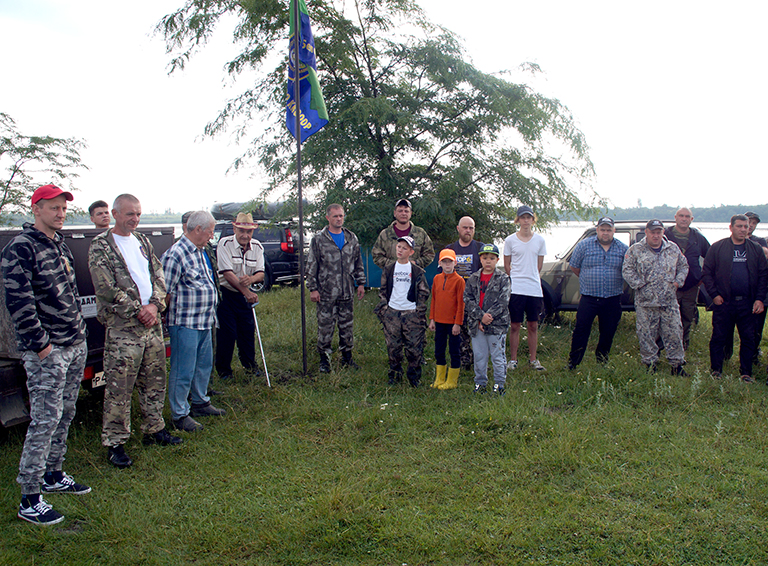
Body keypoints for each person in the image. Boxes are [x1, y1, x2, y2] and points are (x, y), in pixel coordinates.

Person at [2, 184, 90, 525]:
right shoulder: (20, 249)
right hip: (47, 352)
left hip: (74, 345)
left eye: (63, 208)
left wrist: (79, 337)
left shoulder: (59, 245)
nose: (60, 213)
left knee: (65, 412)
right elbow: (19, 304)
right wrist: (43, 346)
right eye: (53, 207)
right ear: (36, 209)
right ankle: (30, 496)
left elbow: (69, 294)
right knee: (44, 419)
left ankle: (54, 474)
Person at [88, 194, 181, 470]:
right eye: (129, 214)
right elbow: (104, 286)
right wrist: (136, 309)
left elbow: (158, 275)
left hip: (151, 325)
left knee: (154, 379)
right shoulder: (101, 245)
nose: (135, 219)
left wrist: (155, 305)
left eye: (138, 214)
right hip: (123, 329)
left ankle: (154, 429)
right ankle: (115, 443)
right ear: (115, 213)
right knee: (119, 387)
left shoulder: (142, 241)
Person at [162, 210, 225, 432]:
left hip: (204, 321)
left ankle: (200, 401)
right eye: (210, 231)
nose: (211, 236)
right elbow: (165, 291)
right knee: (183, 369)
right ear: (197, 229)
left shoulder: (199, 251)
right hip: (185, 323)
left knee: (203, 365)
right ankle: (180, 414)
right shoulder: (175, 254)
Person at [702, 214, 768, 382]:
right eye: (739, 226)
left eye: (746, 227)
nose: (743, 229)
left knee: (748, 338)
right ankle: (716, 370)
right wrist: (714, 295)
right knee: (719, 337)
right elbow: (707, 273)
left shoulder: (756, 249)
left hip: (747, 302)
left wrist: (760, 299)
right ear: (731, 228)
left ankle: (746, 373)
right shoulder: (718, 248)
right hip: (724, 302)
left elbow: (763, 275)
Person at [622, 219, 689, 375]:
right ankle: (650, 364)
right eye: (653, 232)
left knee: (674, 333)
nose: (656, 235)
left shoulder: (672, 248)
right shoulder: (635, 250)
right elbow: (627, 270)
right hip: (646, 302)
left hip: (669, 301)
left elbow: (683, 266)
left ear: (663, 232)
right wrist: (640, 285)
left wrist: (678, 282)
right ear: (646, 232)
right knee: (646, 335)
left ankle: (676, 365)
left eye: (659, 232)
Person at [306, 204, 366, 373]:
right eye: (335, 216)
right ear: (328, 218)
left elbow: (358, 262)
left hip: (346, 291)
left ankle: (347, 357)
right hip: (326, 292)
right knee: (325, 326)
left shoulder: (351, 238)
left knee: (347, 325)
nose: (339, 219)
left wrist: (361, 283)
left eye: (341, 216)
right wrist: (313, 288)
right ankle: (324, 360)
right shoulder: (319, 239)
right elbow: (312, 264)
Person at [567, 217, 628, 369]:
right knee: (581, 330)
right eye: (603, 229)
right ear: (597, 230)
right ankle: (573, 363)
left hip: (612, 298)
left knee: (608, 332)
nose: (605, 233)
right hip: (589, 298)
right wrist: (588, 278)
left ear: (614, 231)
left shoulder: (623, 248)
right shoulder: (584, 246)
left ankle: (602, 362)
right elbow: (574, 266)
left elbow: (628, 270)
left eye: (608, 230)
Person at [374, 236, 430, 387]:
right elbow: (383, 290)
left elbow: (424, 292)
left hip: (411, 314)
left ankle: (414, 378)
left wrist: (418, 310)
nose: (400, 250)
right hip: (392, 314)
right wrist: (385, 309)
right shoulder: (389, 269)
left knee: (414, 349)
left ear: (411, 252)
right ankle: (395, 376)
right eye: (399, 247)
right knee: (393, 348)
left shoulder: (417, 271)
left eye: (404, 248)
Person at [215, 213, 265, 380]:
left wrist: (251, 279)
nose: (245, 235)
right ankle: (224, 371)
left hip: (245, 297)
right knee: (227, 333)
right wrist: (246, 291)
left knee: (247, 331)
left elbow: (261, 273)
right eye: (242, 231)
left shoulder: (257, 246)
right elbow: (227, 273)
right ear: (235, 228)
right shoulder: (225, 244)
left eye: (249, 232)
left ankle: (250, 366)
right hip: (227, 294)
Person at [503, 205, 547, 372]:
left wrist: (530, 277)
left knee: (533, 325)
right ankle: (513, 360)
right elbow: (507, 265)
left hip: (534, 289)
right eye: (523, 217)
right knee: (514, 325)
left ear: (532, 219)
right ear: (518, 220)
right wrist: (516, 279)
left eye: (529, 217)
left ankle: (533, 360)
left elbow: (539, 266)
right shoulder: (510, 240)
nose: (526, 220)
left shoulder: (540, 241)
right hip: (516, 290)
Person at [464, 243, 511, 395]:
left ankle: (499, 384)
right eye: (485, 258)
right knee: (479, 356)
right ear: (480, 259)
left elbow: (503, 301)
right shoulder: (473, 278)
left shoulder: (503, 278)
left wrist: (488, 317)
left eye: (492, 258)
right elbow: (468, 298)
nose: (488, 261)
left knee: (498, 356)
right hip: (477, 325)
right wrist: (480, 317)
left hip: (497, 325)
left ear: (497, 260)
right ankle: (480, 383)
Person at [663, 207, 710, 350]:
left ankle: (684, 344)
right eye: (681, 216)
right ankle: (666, 345)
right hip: (670, 285)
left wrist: (702, 276)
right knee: (667, 317)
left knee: (688, 316)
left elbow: (710, 257)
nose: (684, 219)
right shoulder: (665, 235)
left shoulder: (697, 238)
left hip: (691, 286)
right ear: (675, 217)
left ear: (692, 219)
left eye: (687, 216)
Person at [445, 216, 483, 369]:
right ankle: (464, 360)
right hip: (455, 299)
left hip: (475, 299)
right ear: (458, 228)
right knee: (459, 333)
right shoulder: (450, 250)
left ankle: (480, 362)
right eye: (465, 227)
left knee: (477, 333)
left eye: (471, 228)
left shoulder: (481, 248)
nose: (468, 230)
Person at [428, 248, 465, 390]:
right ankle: (439, 378)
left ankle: (452, 380)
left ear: (455, 263)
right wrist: (432, 319)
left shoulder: (459, 281)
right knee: (439, 349)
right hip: (439, 322)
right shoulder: (437, 279)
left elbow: (461, 304)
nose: (447, 264)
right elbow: (434, 300)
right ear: (440, 263)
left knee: (454, 350)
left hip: (453, 323)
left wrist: (458, 323)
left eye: (450, 262)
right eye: (444, 262)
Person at [371, 198, 435, 270]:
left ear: (410, 213)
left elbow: (429, 254)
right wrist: (395, 265)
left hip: (414, 277)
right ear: (395, 213)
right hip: (391, 277)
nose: (403, 213)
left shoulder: (420, 233)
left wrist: (415, 263)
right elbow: (376, 256)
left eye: (406, 211)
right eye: (400, 211)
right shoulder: (385, 234)